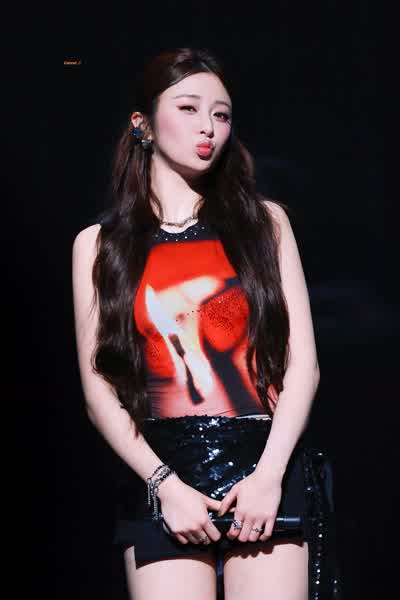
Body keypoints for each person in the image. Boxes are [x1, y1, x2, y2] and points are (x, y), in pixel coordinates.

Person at [72, 47, 327, 600]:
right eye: (188, 108)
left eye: (221, 113)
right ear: (142, 124)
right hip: (161, 470)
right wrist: (164, 485)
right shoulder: (100, 245)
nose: (208, 126)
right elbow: (98, 392)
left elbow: (303, 366)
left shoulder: (265, 224)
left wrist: (268, 477)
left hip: (264, 462)